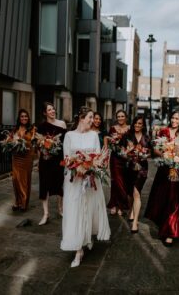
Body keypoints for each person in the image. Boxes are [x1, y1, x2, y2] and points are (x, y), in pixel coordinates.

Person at [60, 106, 110, 267]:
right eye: (89, 117)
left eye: (93, 117)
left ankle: (87, 237)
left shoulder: (94, 135)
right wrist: (77, 167)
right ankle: (78, 250)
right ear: (81, 118)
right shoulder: (68, 135)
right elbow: (67, 159)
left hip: (90, 180)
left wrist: (90, 167)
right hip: (74, 182)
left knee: (89, 210)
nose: (92, 120)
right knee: (75, 212)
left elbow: (97, 157)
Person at [144, 110, 179, 246]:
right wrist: (165, 154)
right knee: (163, 198)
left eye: (177, 118)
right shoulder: (163, 131)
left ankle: (170, 232)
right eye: (172, 118)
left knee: (175, 200)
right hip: (164, 170)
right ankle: (163, 224)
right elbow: (156, 149)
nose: (174, 121)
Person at [37, 102, 67, 225]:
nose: (53, 111)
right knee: (44, 186)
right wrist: (41, 159)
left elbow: (66, 143)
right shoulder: (42, 126)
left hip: (59, 159)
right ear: (45, 113)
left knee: (60, 184)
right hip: (46, 159)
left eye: (53, 109)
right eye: (49, 110)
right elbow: (39, 145)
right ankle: (46, 214)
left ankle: (60, 209)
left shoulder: (62, 124)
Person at [122, 116, 150, 233]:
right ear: (133, 124)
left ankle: (135, 223)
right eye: (136, 123)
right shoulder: (127, 136)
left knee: (136, 193)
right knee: (129, 193)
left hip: (142, 168)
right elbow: (122, 153)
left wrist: (144, 155)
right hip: (129, 167)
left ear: (143, 125)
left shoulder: (147, 138)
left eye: (140, 124)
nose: (137, 125)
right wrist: (129, 151)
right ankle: (131, 211)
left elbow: (150, 153)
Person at [11, 109, 36, 211]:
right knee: (15, 180)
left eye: (26, 116)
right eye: (22, 116)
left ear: (28, 118)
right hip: (16, 157)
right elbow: (10, 140)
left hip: (26, 157)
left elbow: (33, 143)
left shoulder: (32, 129)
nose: (24, 118)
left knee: (24, 180)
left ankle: (24, 203)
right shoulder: (15, 129)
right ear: (19, 118)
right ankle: (17, 202)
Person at [107, 109, 130, 216]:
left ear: (126, 117)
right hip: (115, 158)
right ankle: (114, 205)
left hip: (126, 158)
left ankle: (121, 206)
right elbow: (108, 140)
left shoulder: (130, 129)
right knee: (116, 181)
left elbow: (132, 143)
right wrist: (113, 142)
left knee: (124, 181)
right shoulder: (113, 128)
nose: (120, 118)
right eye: (118, 116)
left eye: (122, 116)